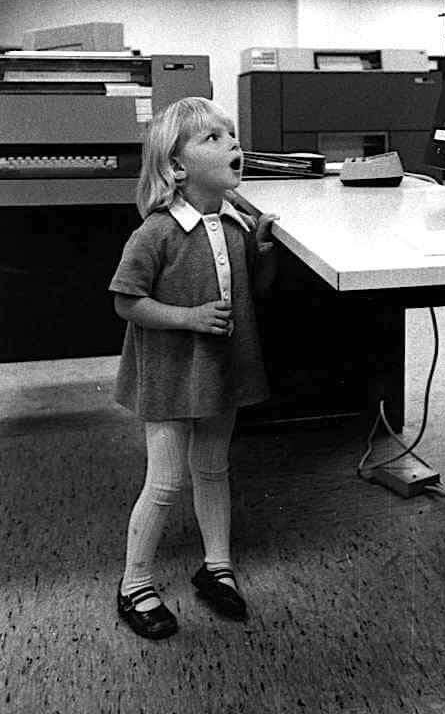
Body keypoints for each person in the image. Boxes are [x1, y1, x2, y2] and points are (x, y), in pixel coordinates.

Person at [109, 96, 277, 640]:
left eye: (231, 134)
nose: (233, 142)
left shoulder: (237, 223)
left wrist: (265, 251)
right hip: (169, 373)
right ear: (177, 168)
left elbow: (254, 295)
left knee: (213, 468)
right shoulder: (156, 232)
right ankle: (134, 582)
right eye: (213, 138)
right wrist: (188, 316)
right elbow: (126, 302)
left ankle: (217, 566)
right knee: (165, 481)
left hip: (218, 371)